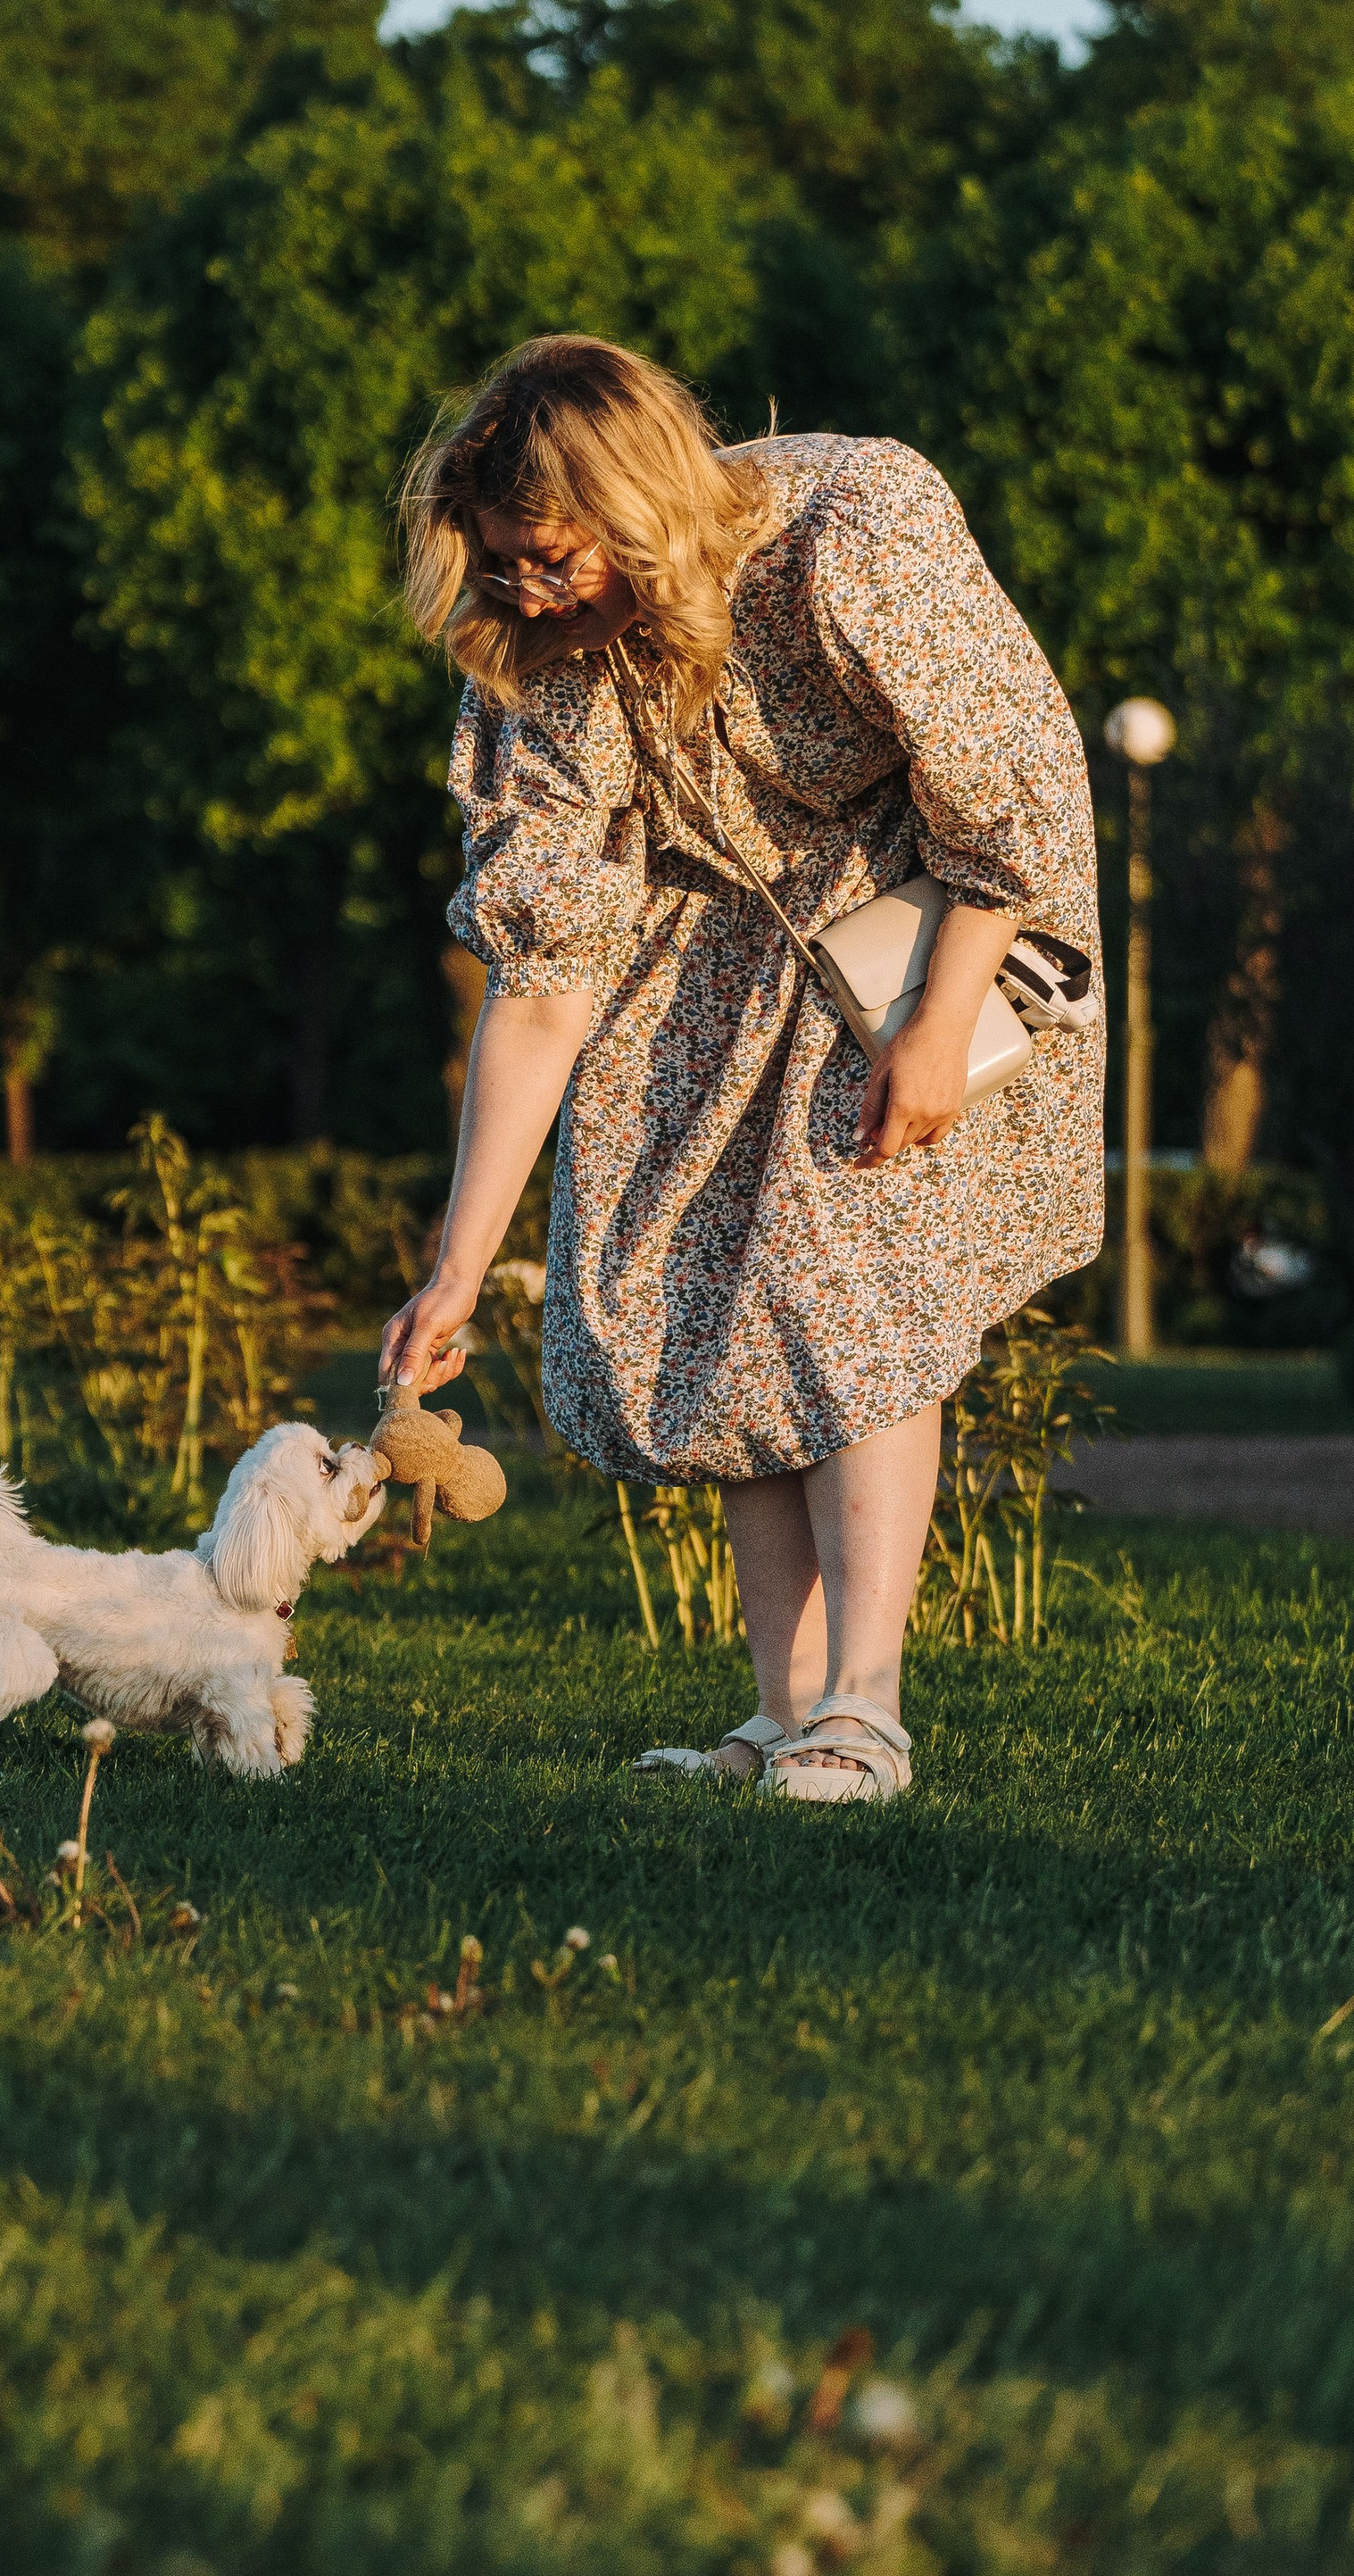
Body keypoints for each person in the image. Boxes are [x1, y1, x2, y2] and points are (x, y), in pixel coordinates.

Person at [378, 337, 1103, 1802]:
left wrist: (933, 1040)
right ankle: (780, 1722)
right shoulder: (551, 659)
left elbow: (1004, 800)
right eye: (497, 560)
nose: (517, 589)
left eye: (546, 556)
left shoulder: (855, 533)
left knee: (849, 1280)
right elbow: (541, 983)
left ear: (636, 502)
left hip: (930, 919)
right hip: (706, 952)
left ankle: (866, 1713)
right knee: (710, 1288)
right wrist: (460, 1265)